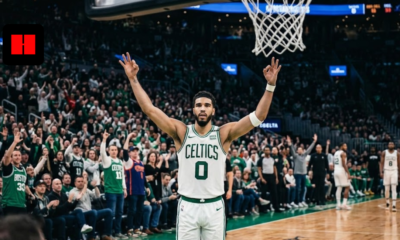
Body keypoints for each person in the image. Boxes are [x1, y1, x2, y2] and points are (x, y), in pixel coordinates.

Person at [119, 52, 281, 240]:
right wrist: (133, 79)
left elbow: (258, 117)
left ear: (213, 110)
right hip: (188, 206)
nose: (202, 108)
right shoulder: (181, 132)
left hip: (214, 207)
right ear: (193, 109)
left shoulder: (223, 133)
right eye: (198, 105)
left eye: (206, 105)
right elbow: (149, 109)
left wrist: (270, 85)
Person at [100, 131, 128, 239]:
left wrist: (124, 188)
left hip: (120, 191)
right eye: (112, 150)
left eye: (115, 150)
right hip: (110, 191)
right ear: (109, 151)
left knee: (119, 213)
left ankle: (118, 232)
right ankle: (108, 233)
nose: (114, 151)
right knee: (110, 213)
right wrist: (104, 140)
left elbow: (122, 177)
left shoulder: (120, 162)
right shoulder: (107, 160)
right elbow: (102, 153)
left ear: (118, 151)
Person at [123, 132, 148, 237]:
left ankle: (137, 228)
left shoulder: (141, 162)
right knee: (132, 211)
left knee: (140, 210)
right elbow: (124, 152)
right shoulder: (128, 162)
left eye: (136, 151)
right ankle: (129, 229)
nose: (135, 152)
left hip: (141, 190)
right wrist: (128, 137)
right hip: (132, 190)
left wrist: (146, 186)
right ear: (130, 153)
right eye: (133, 151)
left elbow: (143, 176)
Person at [1, 132, 29, 215]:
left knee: (22, 228)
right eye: (15, 155)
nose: (17, 157)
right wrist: (15, 142)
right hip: (10, 204)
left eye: (19, 155)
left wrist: (31, 195)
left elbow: (25, 186)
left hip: (21, 204)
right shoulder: (8, 169)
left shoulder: (24, 170)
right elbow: (6, 157)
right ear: (11, 158)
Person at [287, 134, 317, 207]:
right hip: (297, 174)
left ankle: (301, 201)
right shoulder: (295, 156)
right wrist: (290, 144)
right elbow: (292, 150)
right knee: (298, 188)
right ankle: (296, 202)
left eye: (301, 150)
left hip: (304, 174)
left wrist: (314, 141)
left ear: (303, 151)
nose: (299, 151)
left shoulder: (304, 155)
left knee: (303, 188)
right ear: (297, 151)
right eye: (298, 150)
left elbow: (309, 148)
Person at [258, 147, 280, 212]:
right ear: (264, 151)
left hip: (272, 176)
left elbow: (275, 168)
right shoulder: (261, 159)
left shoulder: (272, 159)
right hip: (265, 176)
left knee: (274, 193)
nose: (267, 151)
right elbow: (259, 169)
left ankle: (276, 207)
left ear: (270, 151)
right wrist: (261, 178)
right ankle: (263, 208)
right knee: (264, 193)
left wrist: (276, 177)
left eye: (268, 150)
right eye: (266, 150)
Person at [380, 142, 400, 212]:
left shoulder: (397, 153)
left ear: (394, 145)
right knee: (387, 189)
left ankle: (394, 205)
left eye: (392, 144)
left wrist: (399, 174)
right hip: (386, 171)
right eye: (389, 144)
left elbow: (399, 164)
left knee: (394, 187)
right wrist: (381, 171)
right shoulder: (384, 152)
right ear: (388, 145)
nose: (391, 145)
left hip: (394, 170)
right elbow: (381, 163)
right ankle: (387, 202)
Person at [333, 143, 352, 210]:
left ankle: (338, 205)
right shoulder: (343, 153)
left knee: (339, 187)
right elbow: (344, 164)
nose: (346, 147)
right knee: (347, 186)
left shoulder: (335, 153)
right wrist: (348, 173)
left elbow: (333, 163)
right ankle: (344, 204)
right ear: (341, 146)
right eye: (345, 146)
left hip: (336, 171)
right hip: (341, 171)